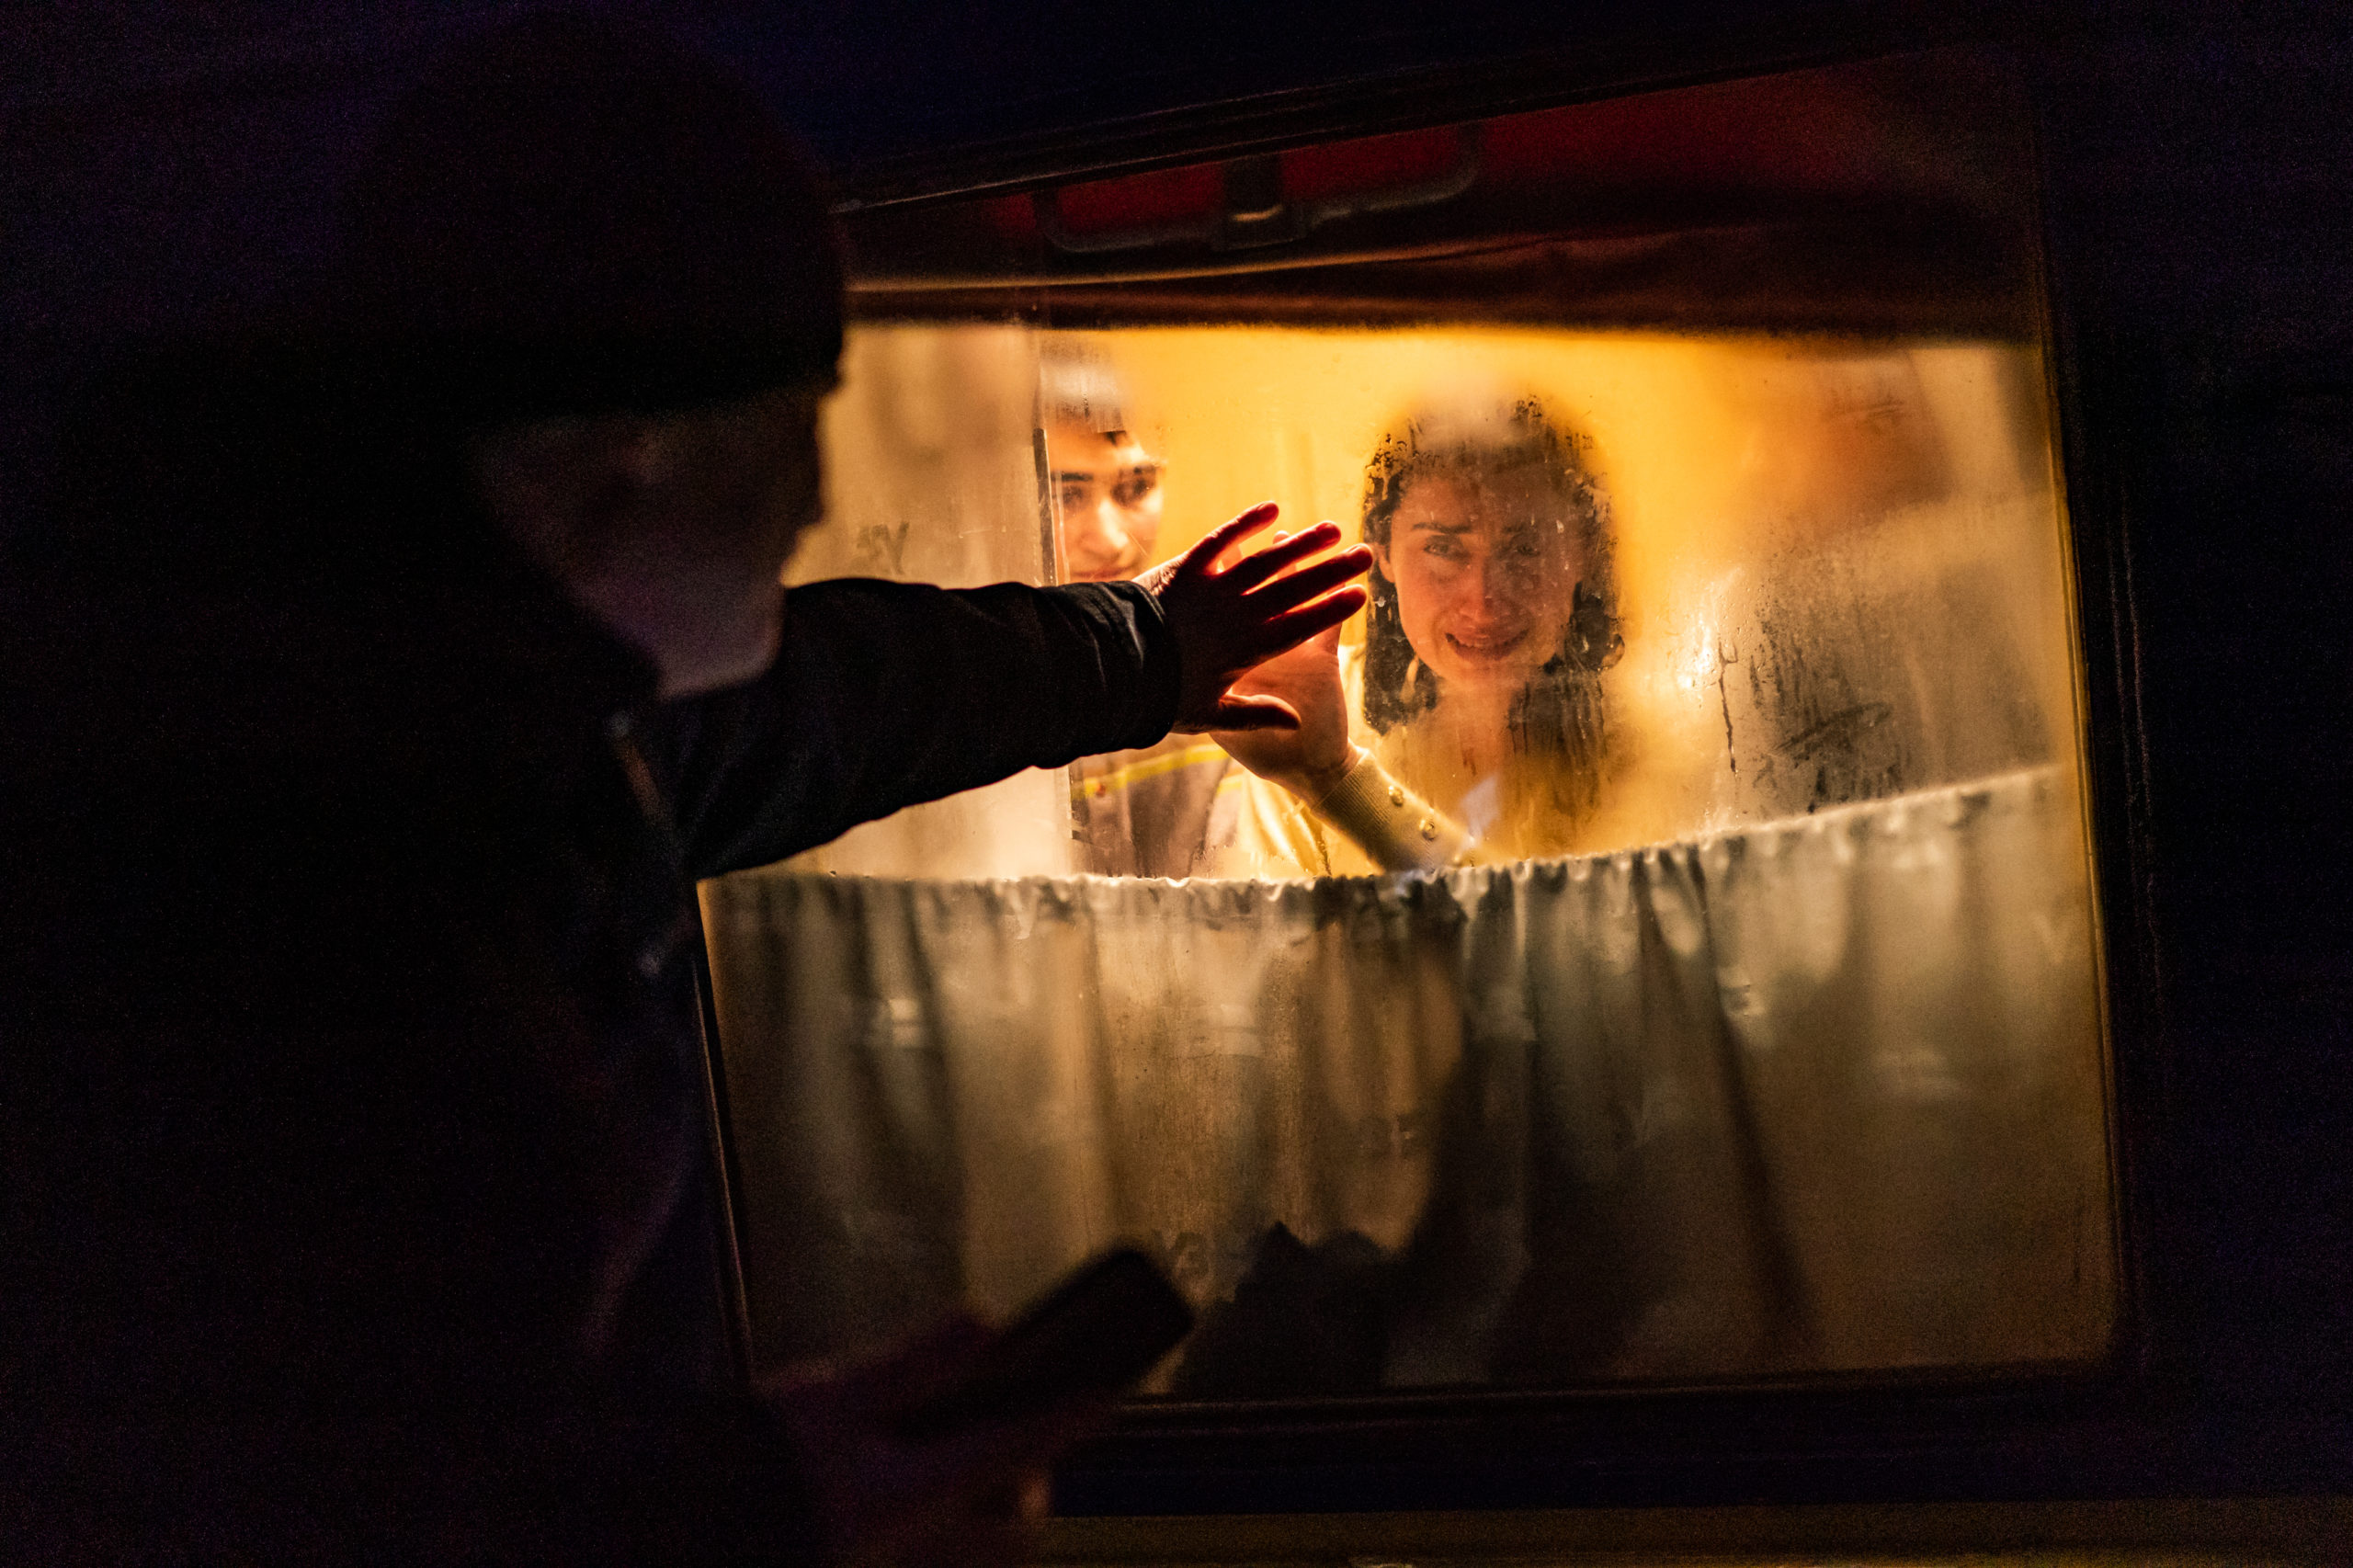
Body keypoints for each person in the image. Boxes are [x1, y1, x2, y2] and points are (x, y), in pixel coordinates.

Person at [0, 15, 1368, 1562]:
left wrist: (1141, 655)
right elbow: (304, 1490)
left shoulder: (496, 727)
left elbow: (824, 707)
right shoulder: (258, 872)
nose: (818, 499)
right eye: (790, 424)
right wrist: (761, 1505)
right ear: (624, 457)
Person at [1211, 391, 1622, 877]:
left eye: (1527, 547)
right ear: (1382, 553)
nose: (1483, 598)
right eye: (1443, 548)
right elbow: (1271, 945)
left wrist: (1334, 779)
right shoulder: (1310, 703)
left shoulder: (1644, 736)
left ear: (1585, 553)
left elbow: (1576, 939)